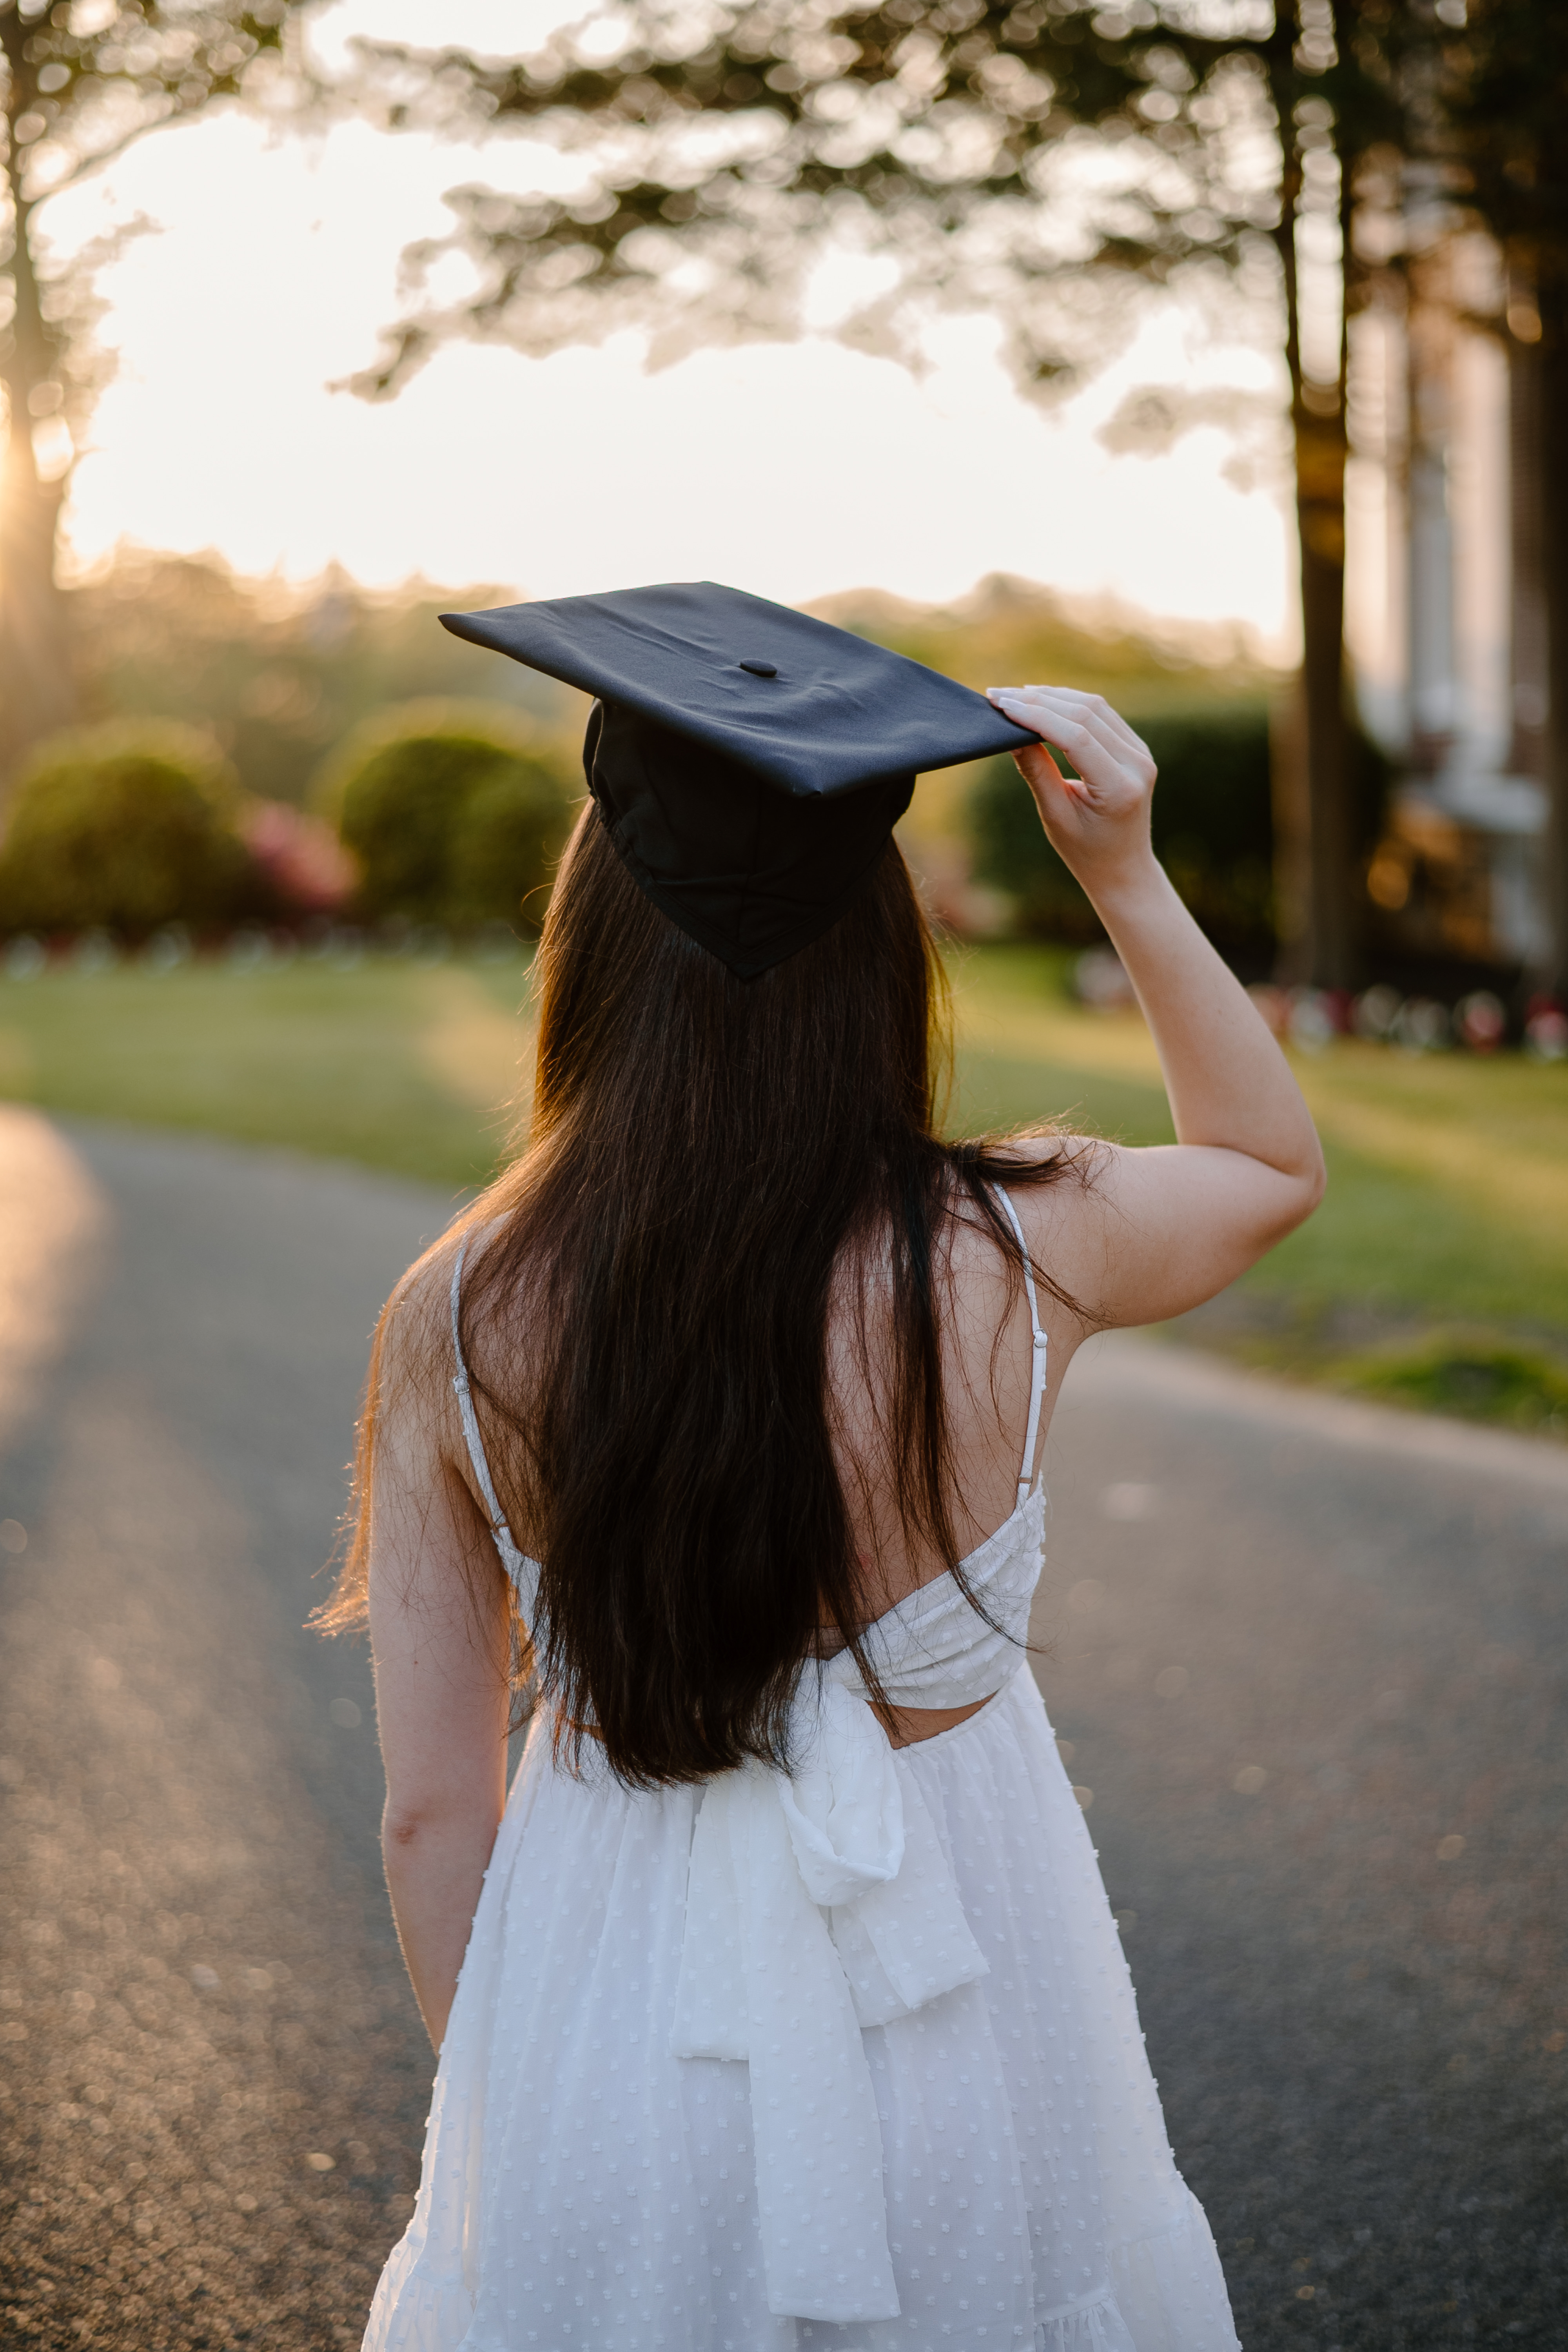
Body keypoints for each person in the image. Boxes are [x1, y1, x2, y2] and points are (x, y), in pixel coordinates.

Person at [321, 583, 1324, 2351]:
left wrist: (524, 2103)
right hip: (976, 2036)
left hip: (613, 2024)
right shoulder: (1024, 1240)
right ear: (887, 951)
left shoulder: (459, 1317)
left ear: (588, 949)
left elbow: (431, 1812)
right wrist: (1124, 875)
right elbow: (1262, 1163)